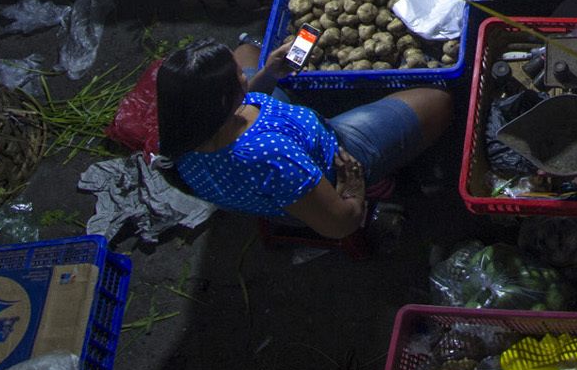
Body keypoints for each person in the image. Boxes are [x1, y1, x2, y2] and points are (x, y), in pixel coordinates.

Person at [154, 39, 450, 238]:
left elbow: (247, 95)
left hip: (279, 165)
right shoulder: (271, 155)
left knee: (246, 49)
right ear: (223, 100)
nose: (244, 78)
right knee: (439, 100)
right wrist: (352, 189)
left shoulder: (181, 132)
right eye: (238, 78)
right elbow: (339, 225)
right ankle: (381, 185)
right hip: (337, 158)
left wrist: (268, 74)